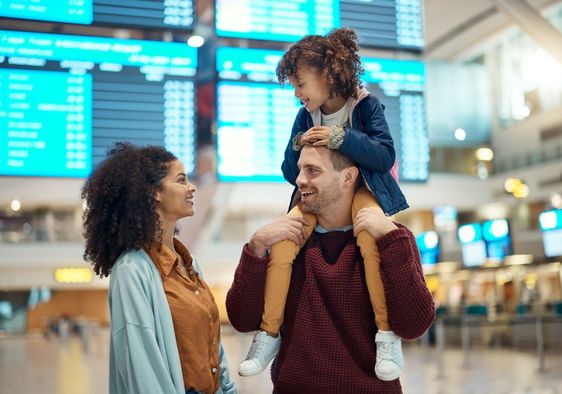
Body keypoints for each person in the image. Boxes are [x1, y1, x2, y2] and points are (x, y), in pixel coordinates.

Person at [237, 27, 409, 381]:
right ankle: (269, 334)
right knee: (284, 247)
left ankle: (386, 336)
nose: (297, 92)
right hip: (314, 201)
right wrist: (299, 142)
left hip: (362, 192)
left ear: (327, 75)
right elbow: (289, 171)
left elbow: (385, 155)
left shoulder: (365, 104)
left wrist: (342, 138)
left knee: (370, 244)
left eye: (300, 83)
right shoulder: (304, 115)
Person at [227, 145, 435, 393]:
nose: (299, 179)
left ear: (348, 177)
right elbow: (241, 320)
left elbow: (414, 326)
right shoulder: (284, 241)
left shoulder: (390, 239)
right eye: (300, 169)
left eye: (313, 170)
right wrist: (256, 247)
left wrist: (392, 239)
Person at [82, 143, 236, 394]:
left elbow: (213, 348)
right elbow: (143, 366)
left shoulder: (191, 263)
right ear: (154, 192)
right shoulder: (132, 270)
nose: (192, 187)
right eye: (181, 180)